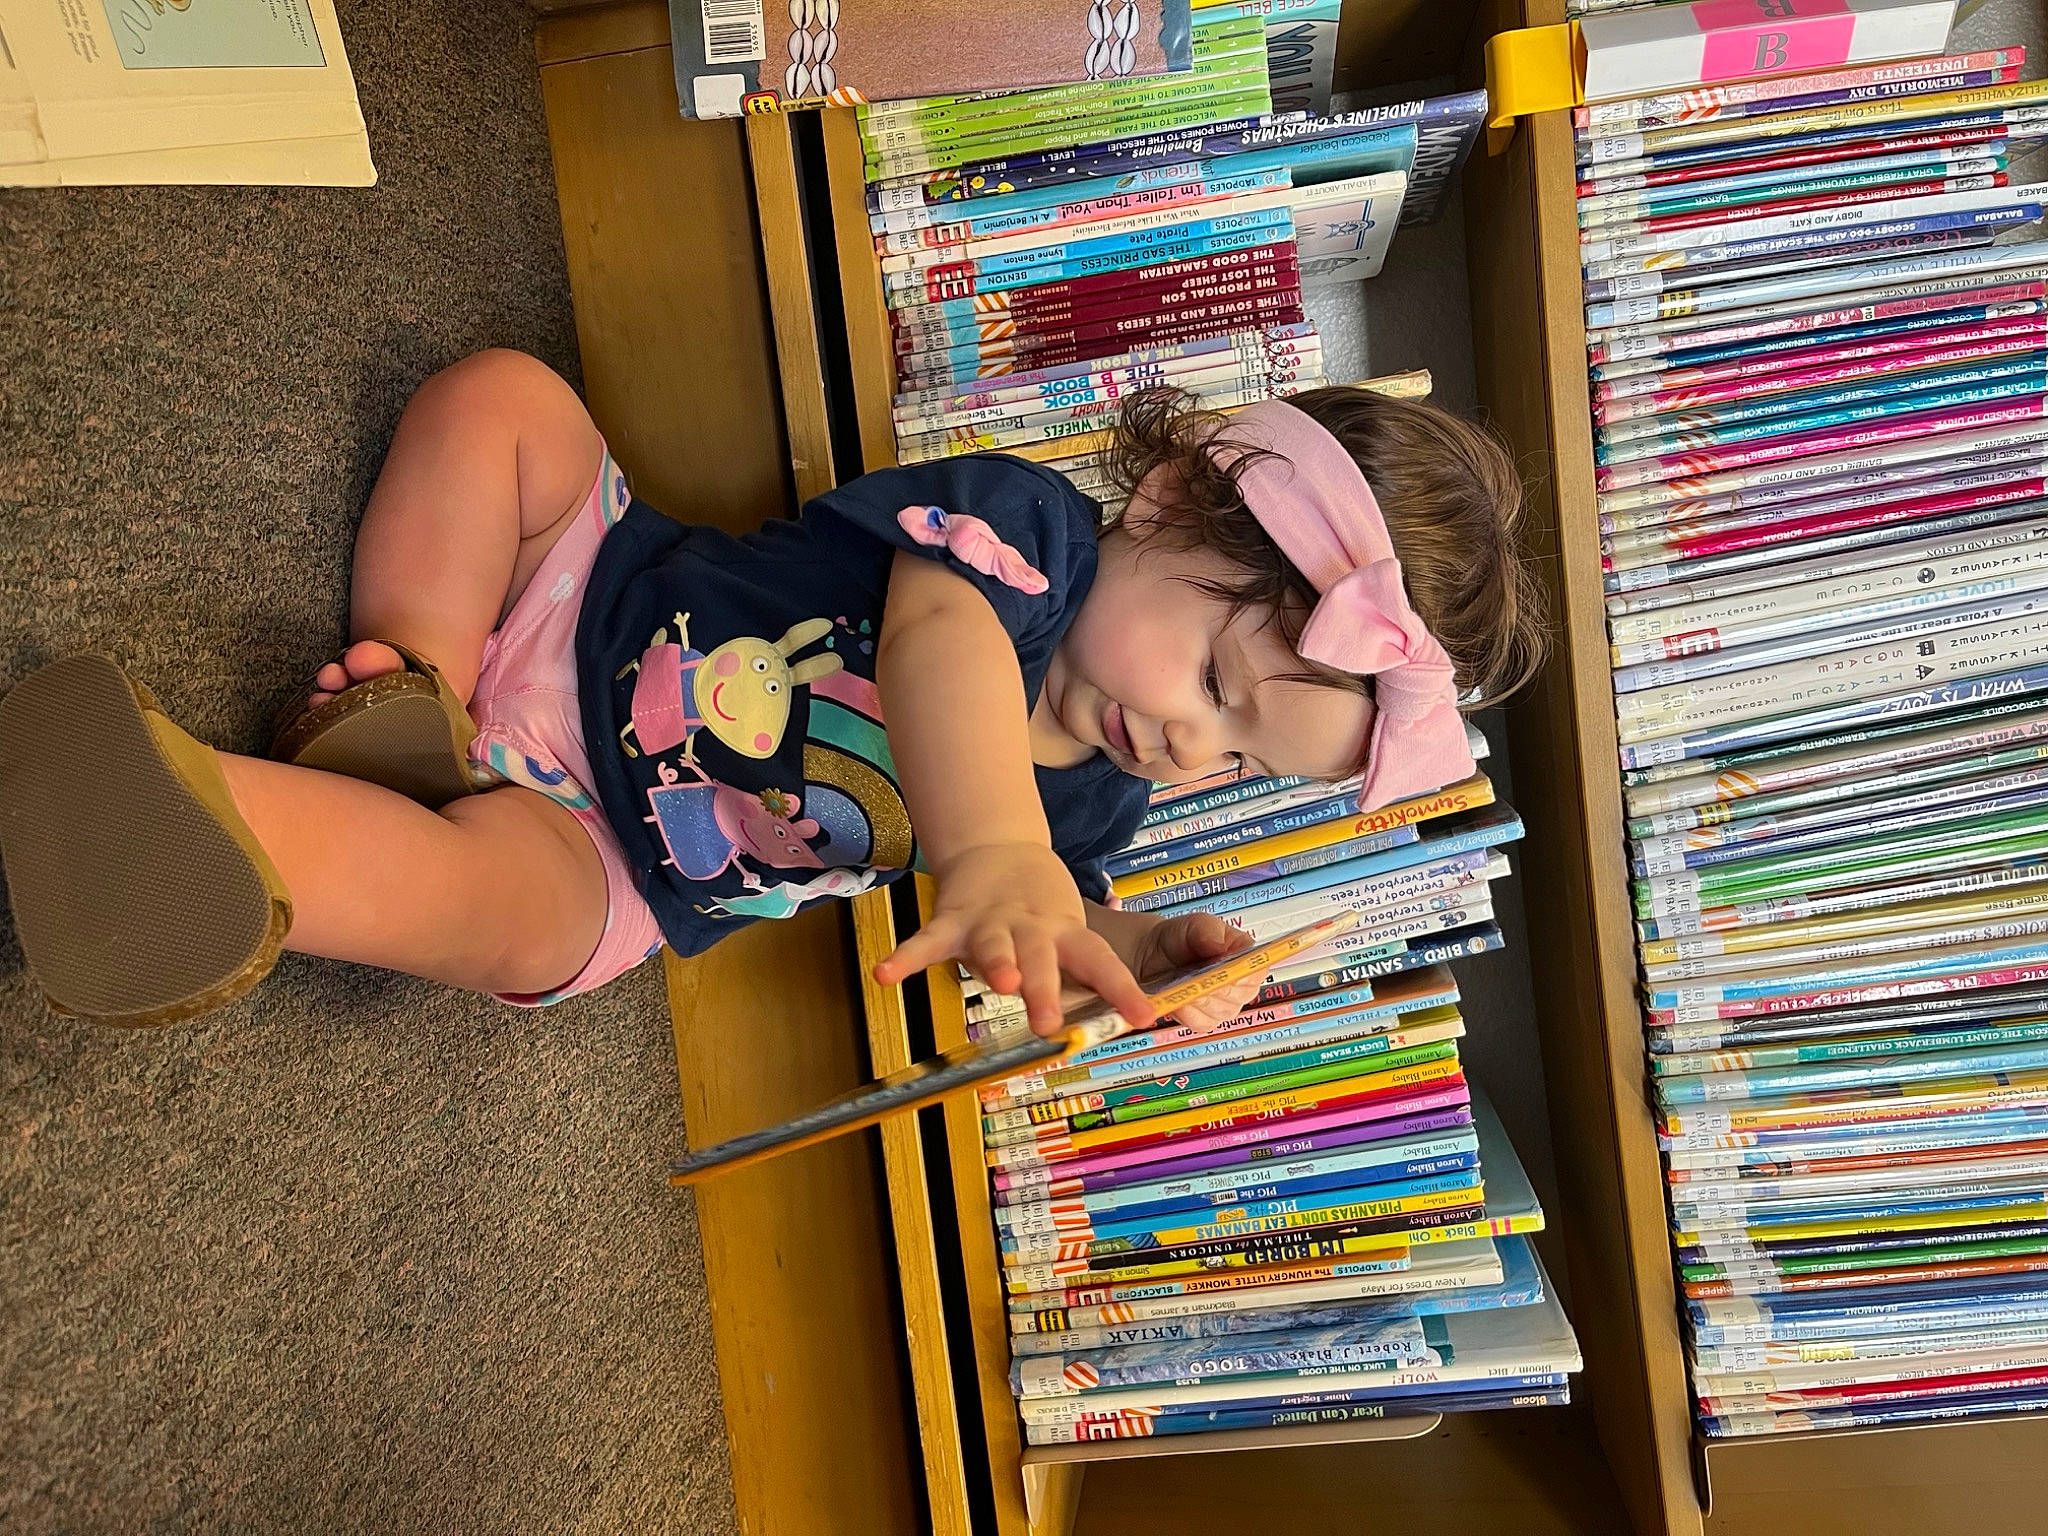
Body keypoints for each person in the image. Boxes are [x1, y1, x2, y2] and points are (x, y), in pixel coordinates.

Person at [0, 349, 1542, 1036]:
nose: (1192, 740)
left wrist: (1125, 945)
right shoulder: (1025, 534)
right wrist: (1000, 852)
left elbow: (1043, 905)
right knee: (507, 410)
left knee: (510, 925)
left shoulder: (1103, 797)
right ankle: (413, 684)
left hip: (622, 860)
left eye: (1241, 763)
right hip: (592, 591)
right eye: (1217, 677)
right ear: (1166, 506)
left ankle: (218, 827)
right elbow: (935, 646)